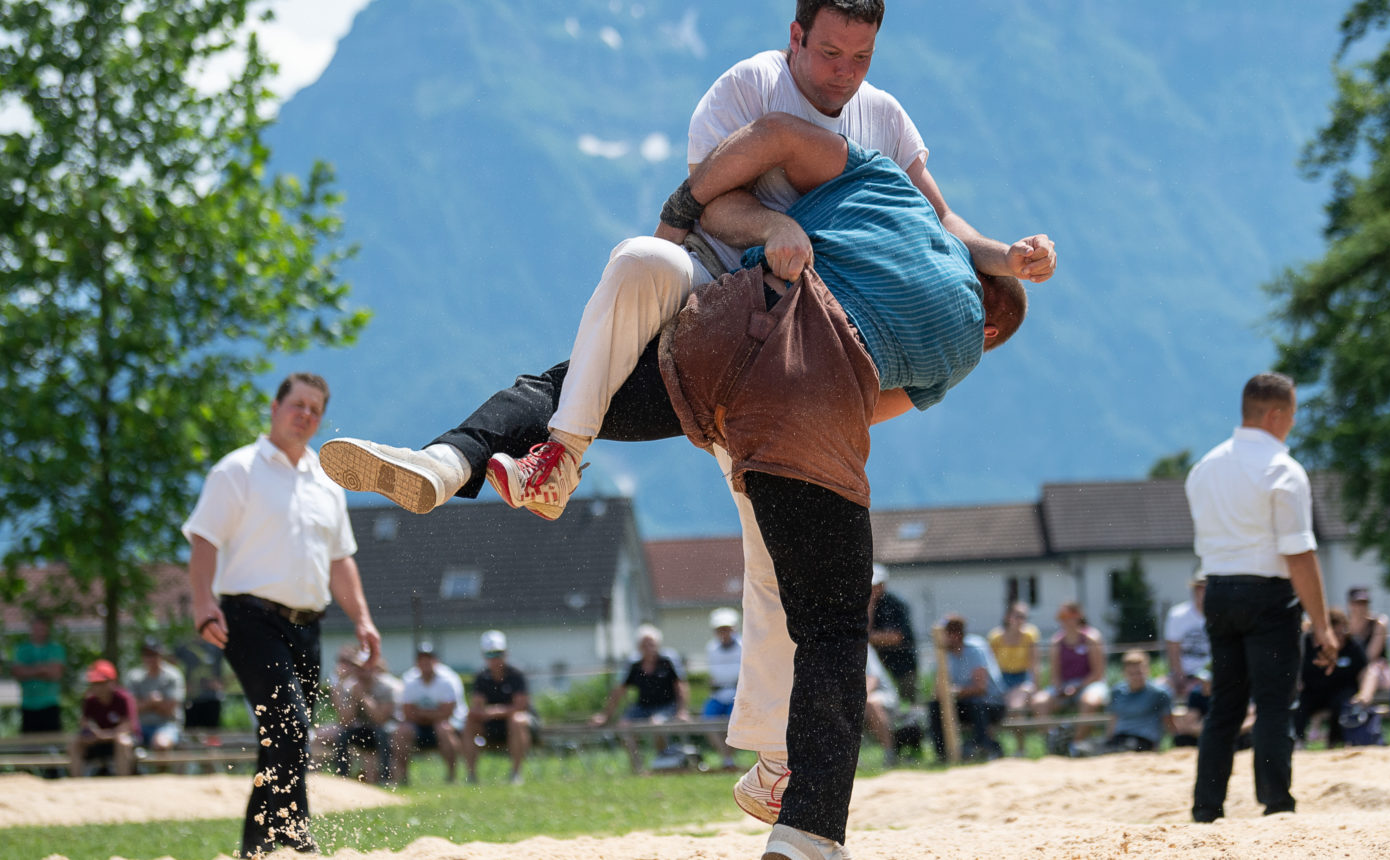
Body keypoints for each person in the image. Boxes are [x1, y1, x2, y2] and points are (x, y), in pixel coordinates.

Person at [323, 111, 1029, 857]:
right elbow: (864, 411)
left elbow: (775, 141)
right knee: (828, 625)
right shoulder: (961, 340)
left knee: (568, 387)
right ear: (990, 321)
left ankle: (457, 459)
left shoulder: (884, 182)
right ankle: (807, 832)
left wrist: (694, 213)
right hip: (803, 407)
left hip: (727, 327)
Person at [183, 371, 381, 858]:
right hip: (248, 619)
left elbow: (340, 559)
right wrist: (202, 602)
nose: (306, 415)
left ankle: (256, 849)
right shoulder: (238, 470)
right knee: (289, 726)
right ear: (274, 408)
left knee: (282, 738)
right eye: (298, 405)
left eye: (316, 409)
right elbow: (204, 538)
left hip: (308, 625)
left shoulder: (326, 483)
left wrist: (363, 619)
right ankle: (296, 839)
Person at [1185, 371, 1337, 823]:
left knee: (1224, 707)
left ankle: (1207, 806)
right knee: (1274, 704)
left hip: (1217, 591)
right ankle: (1276, 803)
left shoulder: (1204, 468)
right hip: (1268, 595)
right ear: (1274, 414)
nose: (1292, 424)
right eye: (1291, 415)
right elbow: (1299, 555)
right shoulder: (1283, 470)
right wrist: (1323, 625)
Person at [592, 625, 691, 773]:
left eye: (651, 644)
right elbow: (619, 690)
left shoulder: (668, 660)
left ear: (658, 645)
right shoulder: (633, 664)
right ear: (638, 646)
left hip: (667, 705)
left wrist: (682, 711)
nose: (648, 647)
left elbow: (681, 686)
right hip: (642, 706)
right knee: (624, 725)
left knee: (656, 723)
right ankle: (637, 766)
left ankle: (662, 760)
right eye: (644, 644)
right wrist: (605, 715)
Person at [926, 614, 1006, 762]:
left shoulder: (975, 648)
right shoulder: (943, 654)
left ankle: (985, 747)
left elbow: (981, 688)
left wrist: (954, 691)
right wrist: (944, 692)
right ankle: (943, 754)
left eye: (942, 634)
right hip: (965, 702)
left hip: (991, 704)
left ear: (955, 635)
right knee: (935, 706)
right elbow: (938, 692)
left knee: (975, 704)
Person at [318, 646, 400, 784]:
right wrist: (351, 696)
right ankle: (342, 776)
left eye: (364, 667)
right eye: (358, 668)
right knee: (343, 735)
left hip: (384, 729)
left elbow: (380, 719)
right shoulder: (350, 687)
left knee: (382, 735)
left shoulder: (386, 687)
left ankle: (385, 777)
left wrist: (363, 697)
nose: (360, 672)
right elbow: (345, 721)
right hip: (362, 729)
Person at [1031, 601, 1109, 746]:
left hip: (1090, 684)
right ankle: (1054, 741)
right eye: (1061, 616)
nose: (1064, 620)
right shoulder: (1057, 641)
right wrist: (1060, 688)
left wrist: (1077, 687)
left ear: (1078, 616)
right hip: (1066, 686)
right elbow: (1055, 675)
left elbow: (1098, 673)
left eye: (1067, 616)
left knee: (1088, 702)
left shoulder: (1091, 637)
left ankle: (1075, 744)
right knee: (1039, 701)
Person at [463, 629, 534, 785]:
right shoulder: (481, 677)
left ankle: (516, 773)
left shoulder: (516, 674)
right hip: (493, 725)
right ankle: (471, 775)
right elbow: (478, 708)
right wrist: (490, 713)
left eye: (498, 653)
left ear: (505, 653)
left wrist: (493, 711)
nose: (495, 659)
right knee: (470, 722)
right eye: (490, 654)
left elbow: (520, 707)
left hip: (517, 725)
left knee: (517, 720)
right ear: (484, 656)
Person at [394, 642, 467, 785]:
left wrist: (422, 713)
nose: (425, 663)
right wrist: (433, 713)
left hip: (444, 725)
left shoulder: (448, 680)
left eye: (429, 659)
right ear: (417, 663)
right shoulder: (409, 680)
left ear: (436, 661)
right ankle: (403, 777)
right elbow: (408, 712)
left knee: (444, 729)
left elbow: (447, 713)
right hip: (419, 726)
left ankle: (452, 776)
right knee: (402, 732)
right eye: (422, 660)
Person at [1294, 610, 1368, 747]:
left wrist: (1363, 694)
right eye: (1335, 634)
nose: (1339, 638)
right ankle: (1297, 742)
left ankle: (1336, 742)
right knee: (1299, 703)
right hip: (1313, 692)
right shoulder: (1306, 643)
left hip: (1342, 692)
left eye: (1341, 633)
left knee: (1342, 702)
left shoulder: (1353, 645)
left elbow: (1365, 671)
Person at [68, 660, 137, 777]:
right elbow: (84, 723)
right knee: (75, 743)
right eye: (94, 683)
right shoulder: (90, 700)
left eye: (101, 682)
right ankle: (76, 781)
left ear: (112, 682)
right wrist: (91, 731)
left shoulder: (123, 698)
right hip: (97, 742)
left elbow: (128, 726)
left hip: (117, 740)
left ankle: (124, 780)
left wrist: (106, 735)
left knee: (123, 742)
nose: (97, 687)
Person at [1098, 651, 1176, 754]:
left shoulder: (1159, 693)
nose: (1136, 677)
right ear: (1124, 673)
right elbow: (1113, 719)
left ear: (1148, 670)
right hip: (1119, 739)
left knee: (1123, 749)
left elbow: (1168, 722)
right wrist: (1108, 740)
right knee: (1086, 748)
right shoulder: (1117, 692)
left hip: (1143, 741)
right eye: (1132, 674)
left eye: (1139, 673)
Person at [868, 563, 919, 704]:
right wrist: (870, 605)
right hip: (877, 663)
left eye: (876, 584)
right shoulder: (865, 605)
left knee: (908, 704)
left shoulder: (895, 604)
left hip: (902, 662)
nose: (873, 589)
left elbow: (896, 637)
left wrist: (868, 638)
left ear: (883, 584)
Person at [9, 614, 66, 734]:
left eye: (42, 628)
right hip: (28, 705)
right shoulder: (22, 650)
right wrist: (42, 670)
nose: (39, 632)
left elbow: (55, 674)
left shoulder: (55, 649)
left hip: (49, 704)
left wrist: (29, 671)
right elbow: (17, 672)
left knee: (53, 745)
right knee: (29, 746)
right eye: (36, 628)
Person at [127, 637, 185, 755]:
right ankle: (132, 773)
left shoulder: (173, 676)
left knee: (160, 744)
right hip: (140, 727)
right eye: (147, 654)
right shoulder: (134, 677)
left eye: (153, 654)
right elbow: (131, 709)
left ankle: (162, 773)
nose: (150, 658)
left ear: (160, 654)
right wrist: (151, 703)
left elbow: (169, 711)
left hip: (167, 725)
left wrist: (145, 705)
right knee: (123, 744)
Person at [703, 607, 744, 770]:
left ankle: (728, 759)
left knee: (732, 725)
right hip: (719, 694)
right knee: (707, 722)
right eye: (720, 629)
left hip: (738, 694)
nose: (724, 633)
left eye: (727, 629)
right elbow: (715, 674)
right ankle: (727, 758)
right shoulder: (711, 648)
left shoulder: (744, 645)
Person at [1163, 570, 1209, 701]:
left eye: (1205, 587)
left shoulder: (1221, 614)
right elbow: (1173, 652)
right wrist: (1181, 680)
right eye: (1198, 588)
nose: (1201, 591)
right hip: (1184, 676)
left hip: (1212, 676)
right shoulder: (1178, 615)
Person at [988, 601, 1040, 716]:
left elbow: (1034, 664)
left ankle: (1019, 733)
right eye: (1018, 616)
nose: (1021, 620)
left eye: (1024, 617)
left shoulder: (1030, 635)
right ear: (1007, 617)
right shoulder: (995, 637)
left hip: (1022, 678)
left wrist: (1036, 688)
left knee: (1016, 706)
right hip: (1002, 679)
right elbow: (991, 666)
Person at [1346, 586, 1390, 706]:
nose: (1361, 607)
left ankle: (1363, 701)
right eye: (1357, 603)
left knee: (1371, 670)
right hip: (1353, 670)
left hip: (1377, 672)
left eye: (1364, 603)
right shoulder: (1344, 625)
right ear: (1350, 604)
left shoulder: (1379, 623)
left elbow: (1370, 656)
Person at [862, 645, 900, 765]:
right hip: (861, 697)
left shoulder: (863, 646)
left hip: (884, 695)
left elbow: (873, 679)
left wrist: (856, 700)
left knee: (870, 703)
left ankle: (890, 754)